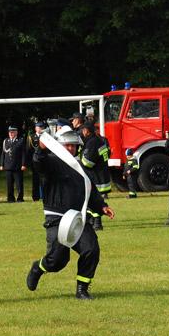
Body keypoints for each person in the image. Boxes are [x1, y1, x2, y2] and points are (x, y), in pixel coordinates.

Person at [25, 127, 115, 300]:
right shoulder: (50, 162)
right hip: (57, 219)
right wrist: (41, 149)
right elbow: (38, 162)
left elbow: (89, 189)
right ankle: (38, 268)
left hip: (77, 219)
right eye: (67, 145)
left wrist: (101, 206)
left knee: (91, 249)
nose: (71, 149)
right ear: (59, 145)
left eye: (73, 146)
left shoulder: (79, 166)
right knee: (57, 261)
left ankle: (82, 290)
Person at [79, 121, 110, 230]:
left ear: (86, 131)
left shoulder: (92, 143)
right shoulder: (100, 140)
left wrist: (80, 158)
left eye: (83, 130)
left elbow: (88, 162)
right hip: (102, 176)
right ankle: (93, 221)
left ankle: (97, 223)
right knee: (93, 201)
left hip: (95, 177)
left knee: (91, 201)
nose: (82, 132)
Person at [0, 126, 27, 202]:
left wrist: (23, 164)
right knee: (9, 184)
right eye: (10, 132)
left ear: (16, 132)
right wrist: (1, 164)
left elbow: (23, 154)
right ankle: (10, 198)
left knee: (19, 184)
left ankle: (20, 198)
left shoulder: (20, 141)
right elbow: (3, 153)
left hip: (17, 166)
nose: (11, 133)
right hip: (8, 166)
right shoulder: (6, 141)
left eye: (13, 132)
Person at [27, 121, 45, 201]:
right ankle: (35, 197)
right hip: (35, 161)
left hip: (45, 161)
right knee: (35, 180)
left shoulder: (46, 136)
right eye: (39, 127)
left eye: (41, 127)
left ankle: (45, 195)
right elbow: (29, 151)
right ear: (35, 128)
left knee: (45, 179)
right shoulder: (31, 137)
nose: (40, 129)